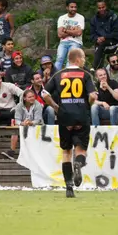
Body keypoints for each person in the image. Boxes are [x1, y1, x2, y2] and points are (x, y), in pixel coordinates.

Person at [44, 48, 97, 198]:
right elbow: (93, 95)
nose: (85, 61)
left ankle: (69, 187)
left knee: (66, 152)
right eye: (84, 58)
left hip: (64, 116)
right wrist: (87, 105)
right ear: (78, 59)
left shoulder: (58, 74)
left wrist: (55, 107)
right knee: (80, 149)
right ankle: (79, 163)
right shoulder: (85, 75)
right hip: (81, 115)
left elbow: (44, 93)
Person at [2, 89, 44, 160]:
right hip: (24, 125)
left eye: (33, 96)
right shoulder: (19, 106)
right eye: (30, 97)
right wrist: (22, 123)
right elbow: (17, 120)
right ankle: (11, 152)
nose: (32, 98)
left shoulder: (38, 105)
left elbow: (38, 120)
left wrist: (31, 123)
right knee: (15, 128)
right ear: (24, 98)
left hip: (37, 126)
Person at [90, 0, 118, 70]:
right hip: (99, 44)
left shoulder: (113, 17)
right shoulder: (94, 19)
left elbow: (116, 32)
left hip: (112, 42)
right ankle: (99, 70)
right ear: (97, 8)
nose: (101, 9)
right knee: (100, 45)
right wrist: (96, 39)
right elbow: (92, 35)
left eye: (103, 7)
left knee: (101, 45)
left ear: (106, 7)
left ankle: (95, 68)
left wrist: (105, 37)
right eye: (99, 8)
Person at [55, 0, 85, 71]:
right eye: (71, 7)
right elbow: (59, 34)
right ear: (67, 8)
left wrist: (65, 30)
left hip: (75, 42)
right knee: (59, 58)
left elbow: (79, 33)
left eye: (75, 7)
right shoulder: (62, 18)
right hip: (63, 42)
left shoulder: (80, 17)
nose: (74, 9)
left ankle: (68, 76)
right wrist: (73, 30)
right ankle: (55, 77)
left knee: (70, 60)